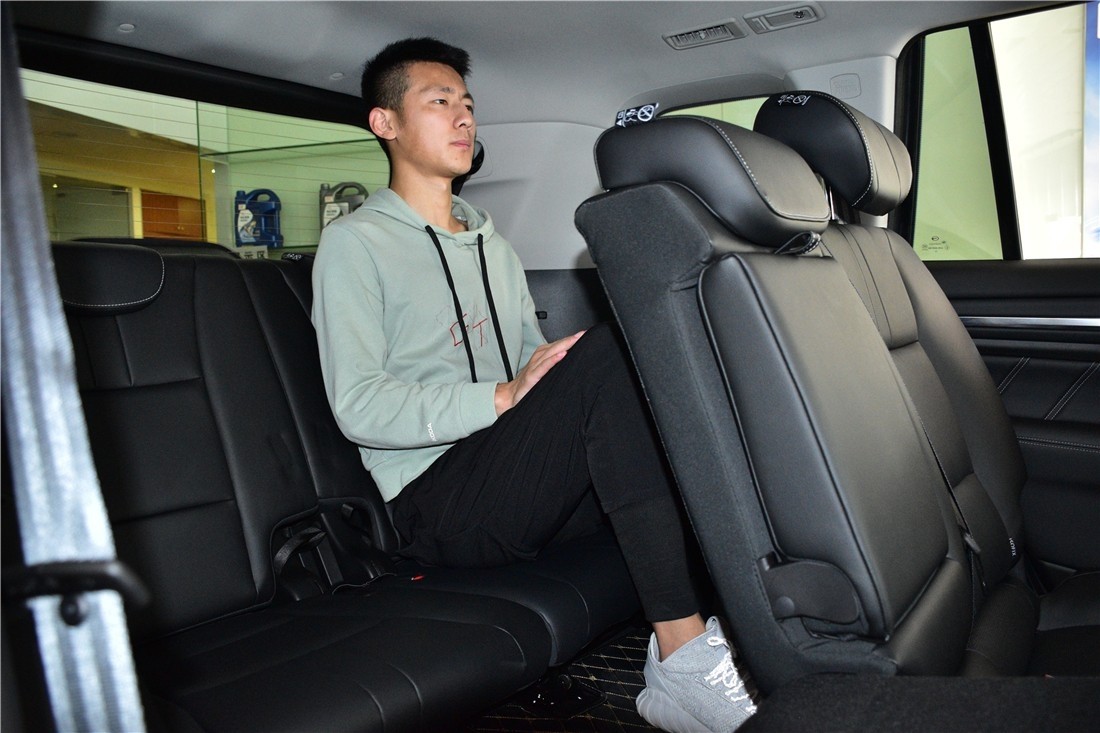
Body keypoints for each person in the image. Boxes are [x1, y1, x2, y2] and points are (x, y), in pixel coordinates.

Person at [311, 36, 756, 733]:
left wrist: (548, 371)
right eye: (439, 102)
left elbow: (528, 367)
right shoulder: (354, 244)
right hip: (432, 504)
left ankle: (740, 624)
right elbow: (358, 404)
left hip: (510, 478)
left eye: (467, 103)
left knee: (636, 367)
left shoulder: (493, 244)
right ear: (385, 122)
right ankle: (681, 659)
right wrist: (503, 396)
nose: (463, 117)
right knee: (610, 351)